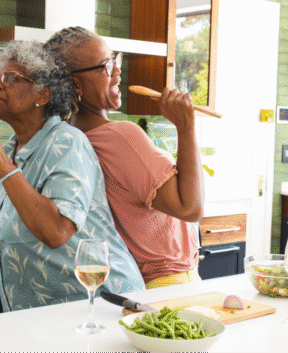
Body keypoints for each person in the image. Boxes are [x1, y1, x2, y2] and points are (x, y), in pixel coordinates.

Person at [0, 41, 144, 311]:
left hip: (102, 305)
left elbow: (55, 231)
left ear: (43, 94)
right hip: (51, 314)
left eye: (10, 78)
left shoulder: (68, 143)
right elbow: (18, 206)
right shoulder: (14, 147)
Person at [44, 27, 205, 289]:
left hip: (135, 282)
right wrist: (186, 126)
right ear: (75, 85)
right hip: (169, 282)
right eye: (106, 66)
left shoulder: (68, 139)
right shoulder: (120, 137)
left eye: (115, 59)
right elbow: (190, 208)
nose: (118, 70)